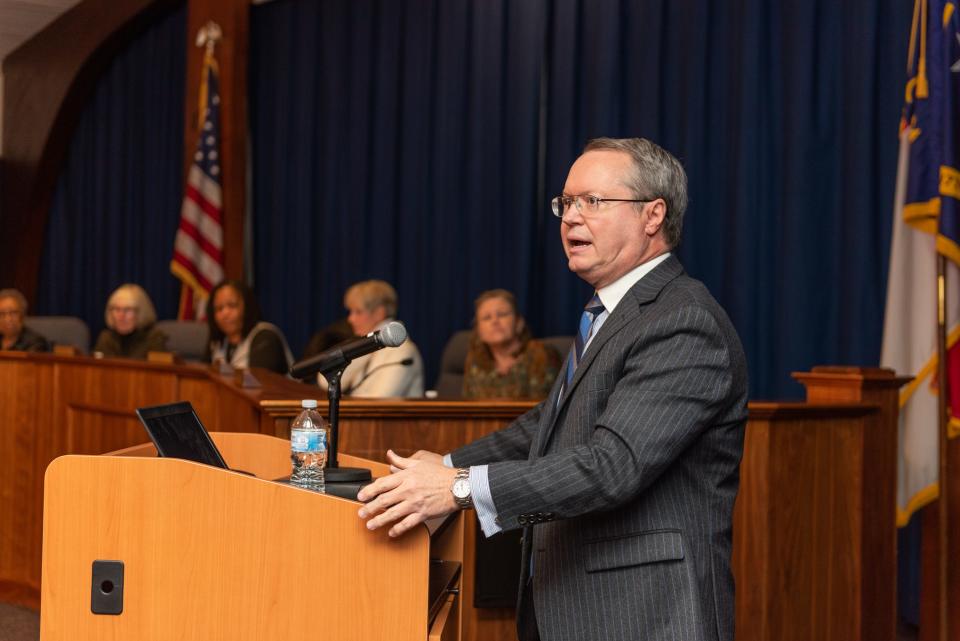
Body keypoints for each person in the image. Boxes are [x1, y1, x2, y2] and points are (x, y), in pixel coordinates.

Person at [356, 137, 748, 641]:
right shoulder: (610, 313)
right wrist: (446, 466)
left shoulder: (683, 321)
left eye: (594, 202)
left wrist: (458, 490)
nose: (570, 218)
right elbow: (551, 424)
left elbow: (613, 466)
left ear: (653, 215)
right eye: (566, 203)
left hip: (643, 613)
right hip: (571, 604)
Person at [316, 280, 424, 397]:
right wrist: (363, 347)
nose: (350, 319)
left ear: (379, 313)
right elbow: (325, 381)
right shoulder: (366, 344)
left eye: (358, 312)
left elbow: (379, 402)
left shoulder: (403, 351)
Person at [462, 289, 561, 399]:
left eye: (502, 314)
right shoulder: (474, 360)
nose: (495, 321)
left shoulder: (542, 354)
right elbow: (468, 408)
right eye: (487, 318)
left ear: (519, 322)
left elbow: (545, 408)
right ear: (478, 331)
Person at [205, 280, 293, 375]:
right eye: (219, 308)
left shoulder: (266, 337)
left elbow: (257, 383)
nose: (225, 314)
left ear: (247, 306)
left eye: (232, 305)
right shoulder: (217, 342)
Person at [93, 284, 167, 359]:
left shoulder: (155, 339)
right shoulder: (106, 338)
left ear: (141, 313)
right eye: (117, 309)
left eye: (128, 310)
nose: (121, 316)